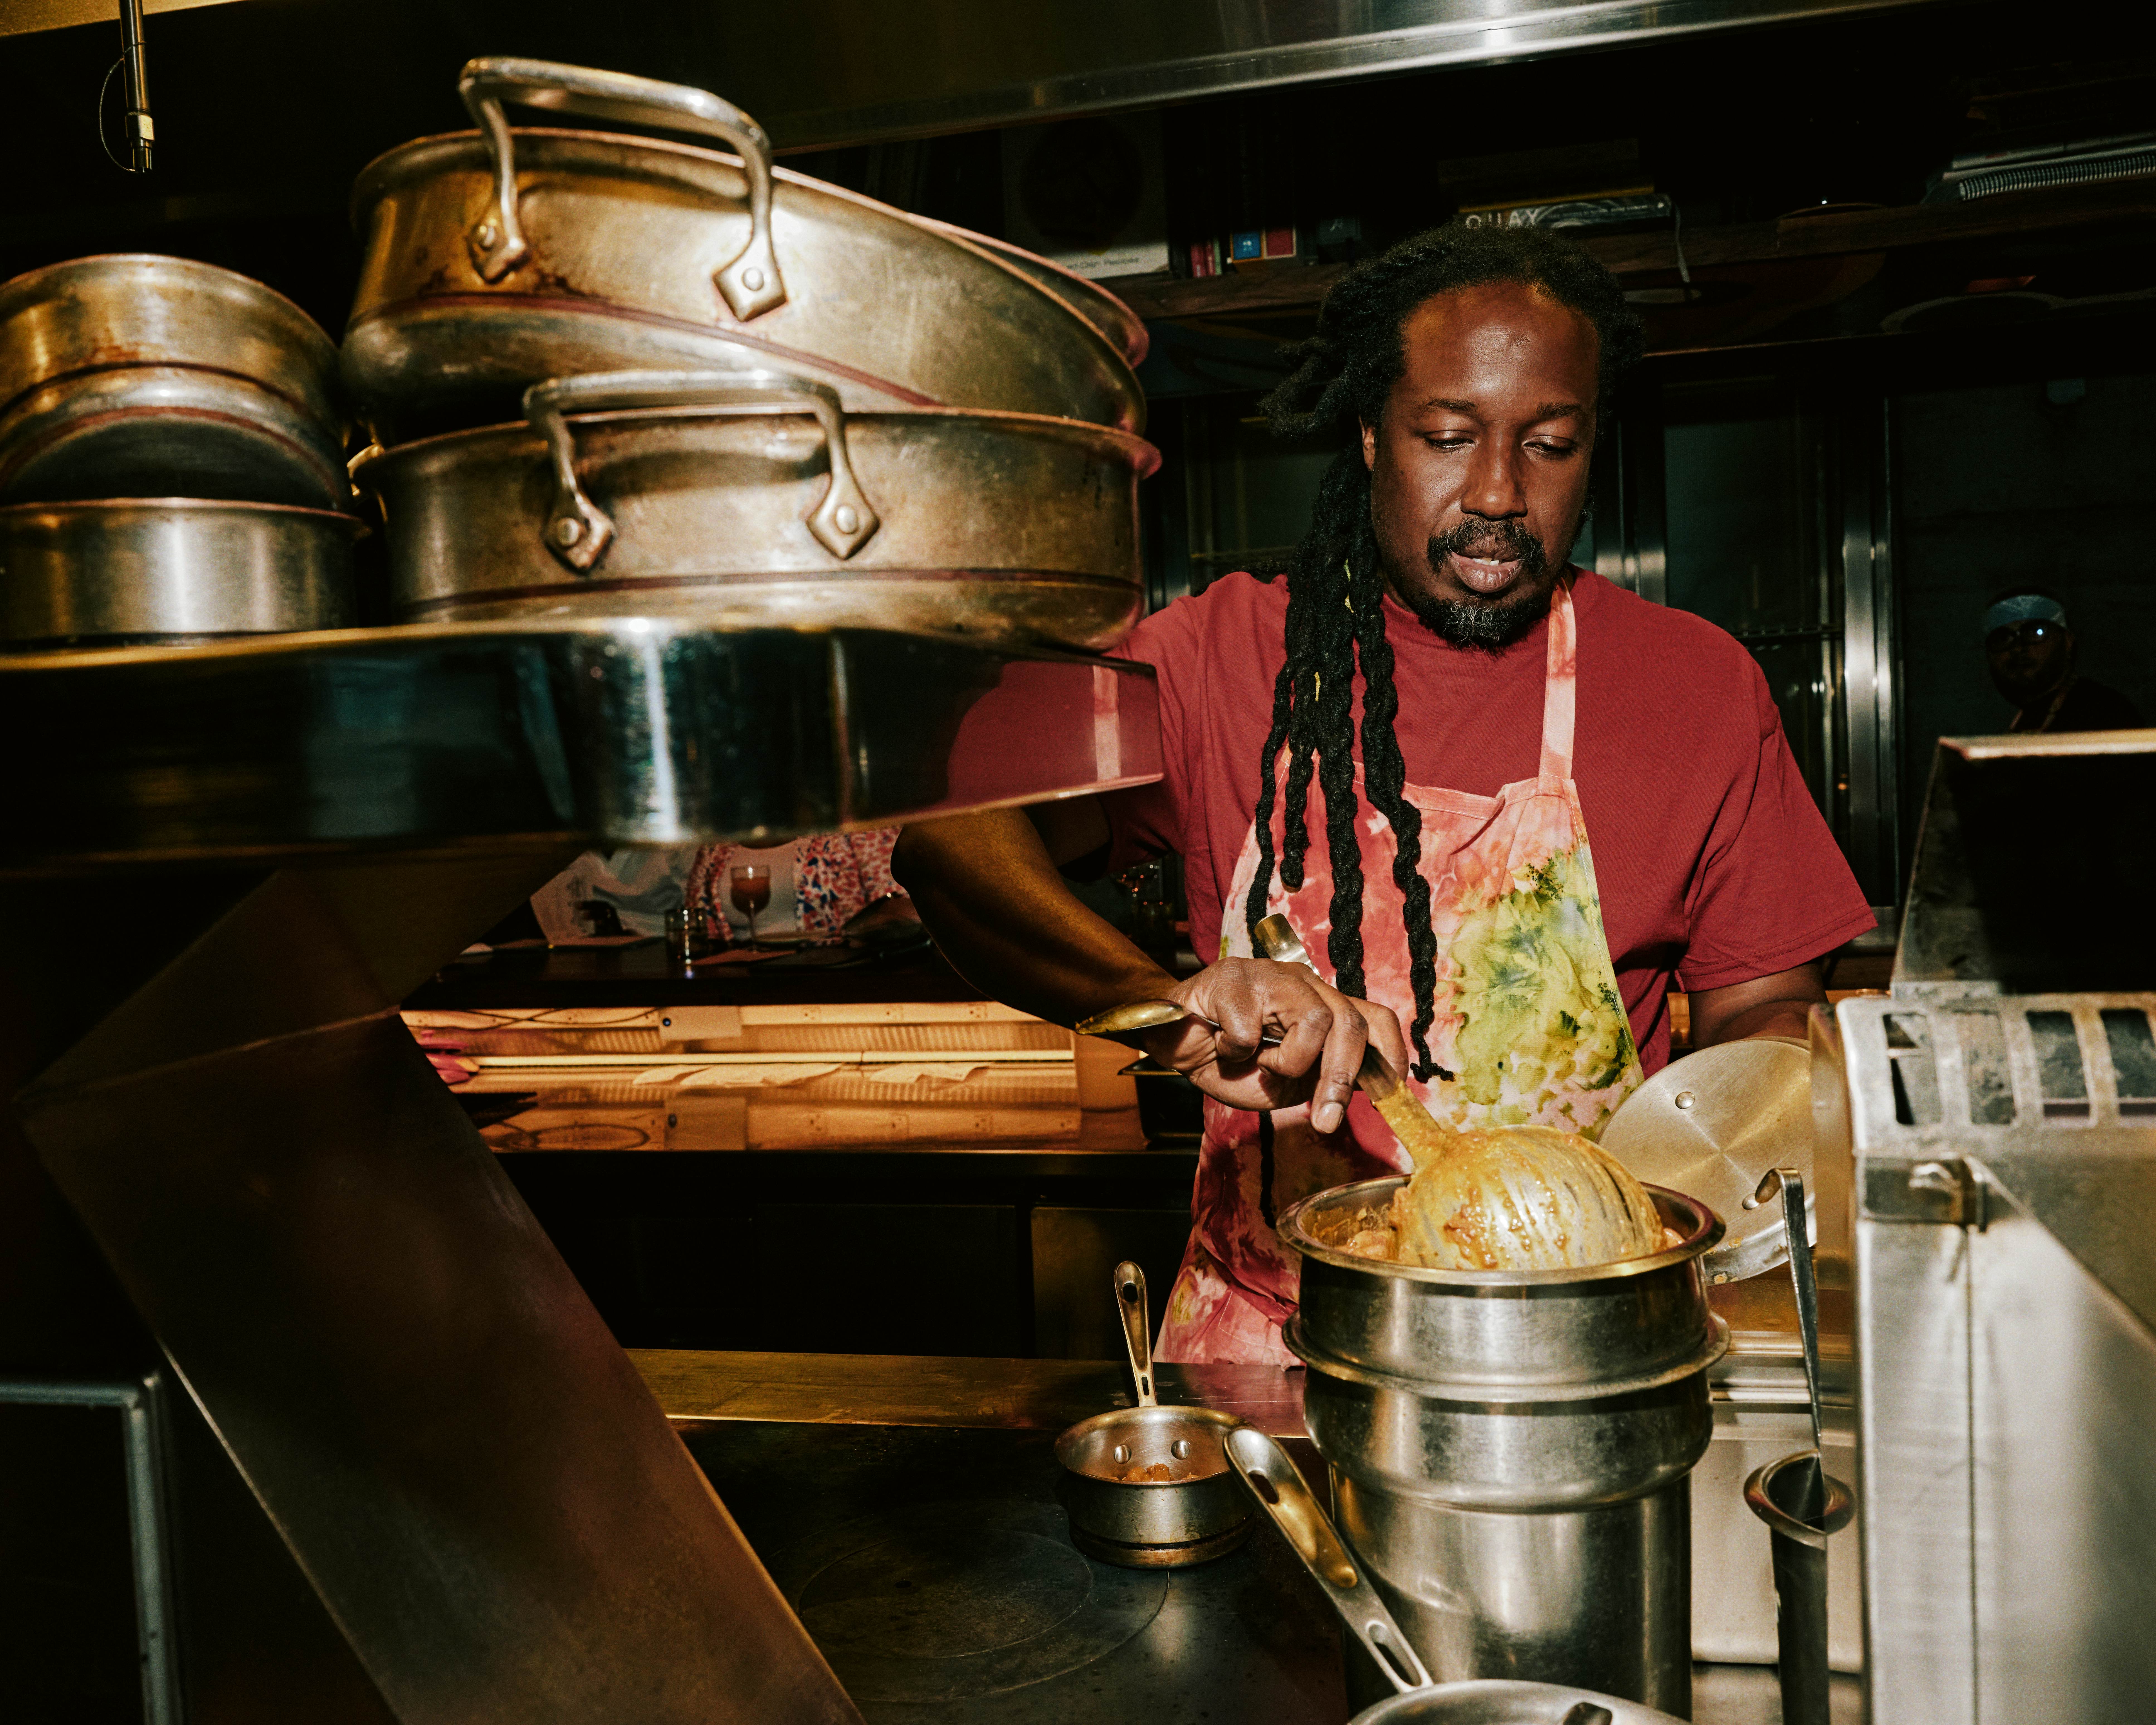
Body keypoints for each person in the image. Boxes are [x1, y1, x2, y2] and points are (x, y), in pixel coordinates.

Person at [894, 223, 1875, 1363]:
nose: (1500, 492)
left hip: (1584, 1342)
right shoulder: (1220, 658)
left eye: (1551, 445)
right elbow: (952, 837)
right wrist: (1173, 1012)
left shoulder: (1695, 687)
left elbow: (1765, 1017)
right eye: (1449, 438)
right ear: (1369, 435)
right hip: (1275, 1348)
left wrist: (1717, 1168)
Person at [1984, 589, 2143, 733]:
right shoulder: (2018, 719)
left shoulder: (2106, 714)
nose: (2018, 648)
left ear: (2067, 641)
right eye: (2003, 638)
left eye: (2036, 632)